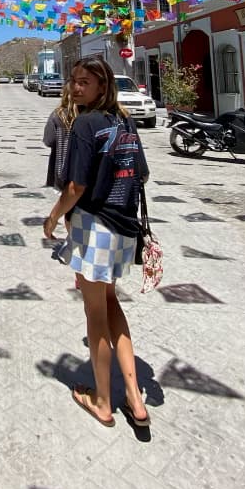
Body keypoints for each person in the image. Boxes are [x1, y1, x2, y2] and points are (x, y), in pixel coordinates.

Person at [43, 56, 150, 429]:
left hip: (96, 228)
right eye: (73, 81)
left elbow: (76, 185)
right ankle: (135, 397)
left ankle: (103, 401)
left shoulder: (86, 123)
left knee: (95, 317)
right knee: (109, 302)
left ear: (102, 87)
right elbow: (143, 173)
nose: (75, 88)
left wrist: (55, 215)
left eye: (84, 82)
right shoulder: (124, 122)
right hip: (124, 226)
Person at [43, 84, 75, 261]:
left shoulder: (58, 115)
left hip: (63, 168)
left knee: (69, 208)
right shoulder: (91, 116)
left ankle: (73, 244)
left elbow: (48, 140)